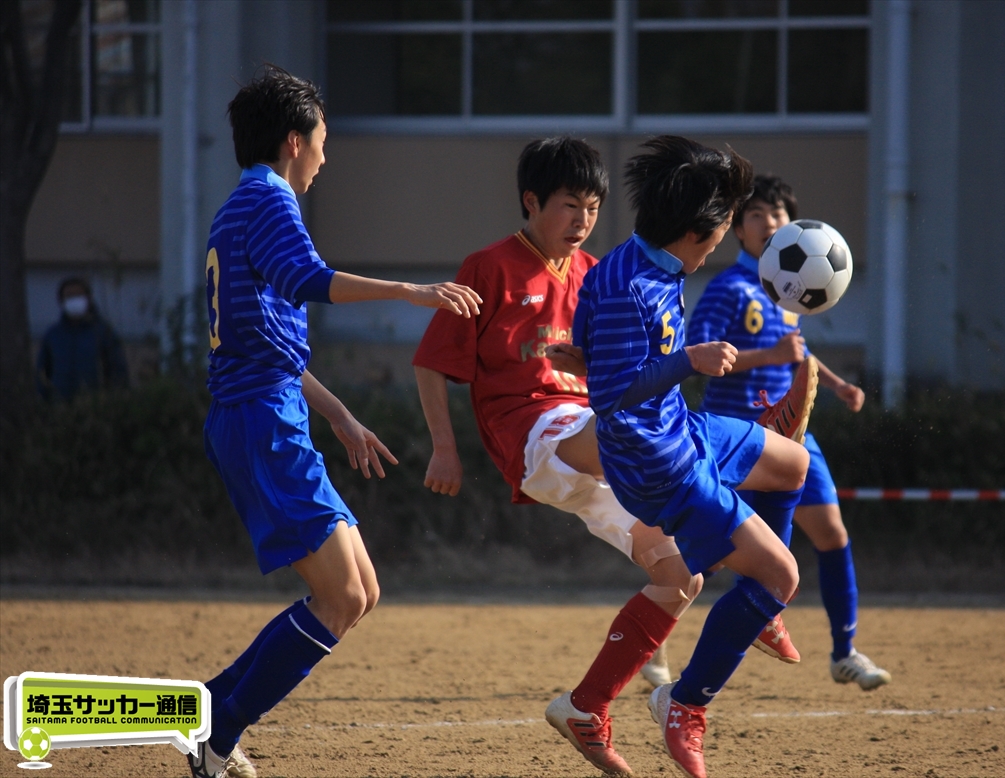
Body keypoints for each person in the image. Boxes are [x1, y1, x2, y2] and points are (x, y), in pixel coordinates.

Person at [189, 66, 481, 778]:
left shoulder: (240, 205)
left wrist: (344, 418)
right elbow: (311, 281)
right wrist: (412, 291)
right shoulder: (269, 198)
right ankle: (216, 734)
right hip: (262, 423)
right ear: (295, 141)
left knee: (362, 591)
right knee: (343, 595)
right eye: (322, 142)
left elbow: (270, 344)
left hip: (269, 413)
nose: (325, 157)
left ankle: (209, 712)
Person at [412, 137, 695, 776]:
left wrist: (594, 364)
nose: (583, 220)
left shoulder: (596, 274)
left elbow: (619, 376)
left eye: (593, 207)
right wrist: (445, 449)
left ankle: (584, 708)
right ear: (531, 201)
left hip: (593, 439)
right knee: (644, 441)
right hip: (535, 434)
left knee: (681, 575)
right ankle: (727, 467)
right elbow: (432, 364)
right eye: (571, 205)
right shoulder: (486, 268)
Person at [572, 136, 816, 778]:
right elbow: (613, 394)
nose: (722, 244)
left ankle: (755, 606)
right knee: (784, 577)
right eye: (721, 231)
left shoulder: (636, 263)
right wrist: (690, 360)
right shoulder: (634, 287)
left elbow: (591, 346)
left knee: (794, 464)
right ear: (692, 232)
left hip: (684, 428)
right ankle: (683, 705)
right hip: (661, 466)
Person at [689, 175, 892, 691]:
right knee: (706, 555)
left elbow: (797, 352)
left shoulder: (787, 289)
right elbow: (694, 357)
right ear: (737, 230)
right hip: (736, 435)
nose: (770, 223)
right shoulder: (728, 289)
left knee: (831, 534)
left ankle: (844, 652)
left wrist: (839, 384)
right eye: (756, 214)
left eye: (778, 215)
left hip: (794, 432)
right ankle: (655, 652)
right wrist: (770, 356)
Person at [36, 277, 129, 400]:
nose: (74, 300)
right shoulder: (53, 335)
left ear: (89, 298)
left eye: (78, 295)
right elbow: (42, 373)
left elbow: (118, 371)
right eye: (69, 296)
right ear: (61, 300)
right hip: (60, 407)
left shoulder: (103, 333)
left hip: (96, 406)